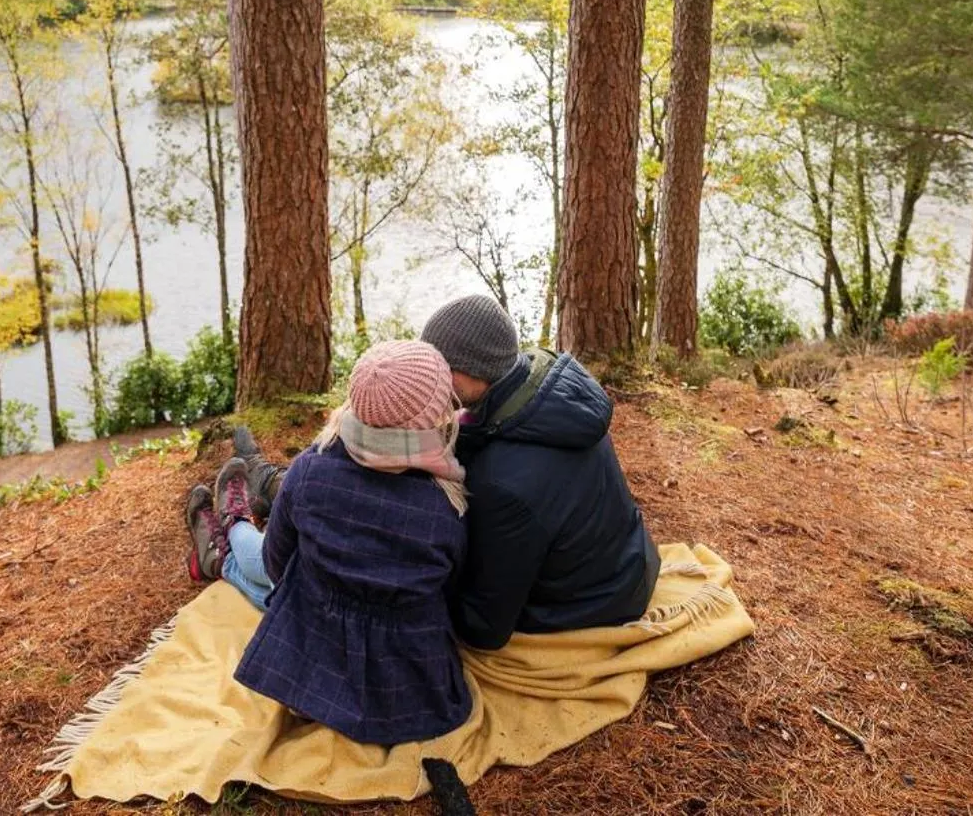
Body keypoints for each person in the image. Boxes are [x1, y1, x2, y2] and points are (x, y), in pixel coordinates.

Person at [181, 340, 474, 747]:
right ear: (434, 416)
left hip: (313, 676)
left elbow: (277, 568)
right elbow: (450, 588)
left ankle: (231, 531)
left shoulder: (308, 472)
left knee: (286, 569)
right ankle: (230, 534)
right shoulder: (446, 505)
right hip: (412, 693)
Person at [419, 294, 659, 651]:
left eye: (439, 370)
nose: (431, 380)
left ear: (471, 370)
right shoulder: (551, 395)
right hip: (628, 562)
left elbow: (484, 629)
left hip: (594, 605)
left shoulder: (503, 485)